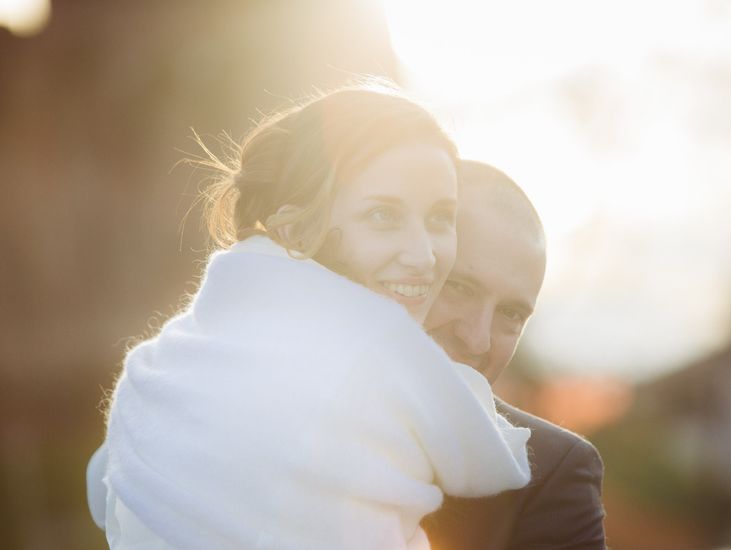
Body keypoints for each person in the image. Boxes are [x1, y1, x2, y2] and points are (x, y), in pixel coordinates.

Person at [98, 86, 531, 549]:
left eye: (440, 218)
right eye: (383, 215)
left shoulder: (166, 364)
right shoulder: (368, 383)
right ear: (296, 227)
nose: (424, 256)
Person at [421, 160, 607, 549]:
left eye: (510, 313)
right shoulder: (275, 398)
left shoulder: (549, 472)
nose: (477, 340)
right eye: (458, 286)